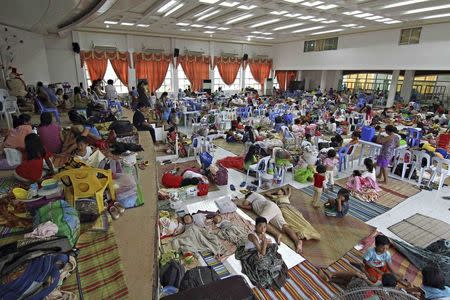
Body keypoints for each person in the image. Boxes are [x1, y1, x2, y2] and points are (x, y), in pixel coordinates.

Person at [237, 191, 303, 253]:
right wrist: (239, 205)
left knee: (261, 222)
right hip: (273, 209)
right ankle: (297, 241)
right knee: (284, 226)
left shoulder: (253, 194)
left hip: (270, 207)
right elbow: (248, 207)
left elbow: (245, 203)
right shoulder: (257, 202)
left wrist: (246, 200)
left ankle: (277, 234)